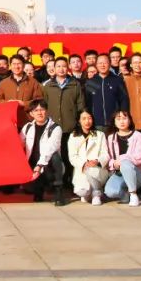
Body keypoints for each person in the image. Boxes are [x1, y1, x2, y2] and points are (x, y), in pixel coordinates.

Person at [42, 56, 85, 186]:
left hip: (70, 127)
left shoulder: (75, 85)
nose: (61, 69)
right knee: (53, 155)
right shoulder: (48, 86)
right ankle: (54, 182)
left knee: (69, 155)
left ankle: (69, 181)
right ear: (54, 69)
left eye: (64, 66)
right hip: (53, 128)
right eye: (58, 66)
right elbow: (44, 106)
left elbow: (81, 105)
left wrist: (79, 124)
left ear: (68, 68)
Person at [20, 99, 65, 205]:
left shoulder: (55, 128)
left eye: (42, 109)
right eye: (36, 110)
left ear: (46, 111)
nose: (39, 113)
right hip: (32, 167)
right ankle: (38, 190)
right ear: (31, 113)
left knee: (54, 156)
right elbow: (18, 144)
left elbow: (50, 148)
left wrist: (40, 165)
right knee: (30, 188)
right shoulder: (27, 127)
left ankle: (58, 191)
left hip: (48, 167)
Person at [102, 110, 141, 206]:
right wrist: (114, 164)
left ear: (130, 120)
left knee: (125, 163)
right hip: (119, 174)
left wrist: (122, 159)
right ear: (114, 122)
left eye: (124, 118)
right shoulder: (111, 137)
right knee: (110, 192)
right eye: (118, 119)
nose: (122, 121)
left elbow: (139, 158)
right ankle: (126, 193)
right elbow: (108, 158)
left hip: (136, 172)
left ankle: (133, 194)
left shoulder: (137, 135)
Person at [68, 110, 106, 205]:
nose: (87, 121)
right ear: (79, 121)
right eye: (84, 118)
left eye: (89, 118)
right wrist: (83, 164)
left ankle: (96, 193)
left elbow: (105, 153)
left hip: (96, 168)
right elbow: (72, 156)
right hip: (82, 169)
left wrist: (97, 161)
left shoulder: (100, 135)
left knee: (92, 170)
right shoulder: (73, 136)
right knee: (82, 192)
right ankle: (89, 192)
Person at [0, 54, 44, 126]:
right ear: (10, 66)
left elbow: (39, 100)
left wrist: (24, 104)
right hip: (9, 122)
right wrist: (8, 103)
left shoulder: (33, 82)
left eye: (19, 64)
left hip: (27, 121)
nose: (16, 66)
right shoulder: (3, 83)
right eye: (14, 64)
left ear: (23, 65)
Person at [84, 55, 128, 129]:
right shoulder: (91, 82)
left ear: (110, 64)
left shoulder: (117, 80)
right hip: (97, 123)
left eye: (105, 63)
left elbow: (124, 99)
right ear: (96, 65)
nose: (102, 65)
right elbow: (88, 102)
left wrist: (122, 117)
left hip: (115, 122)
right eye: (100, 63)